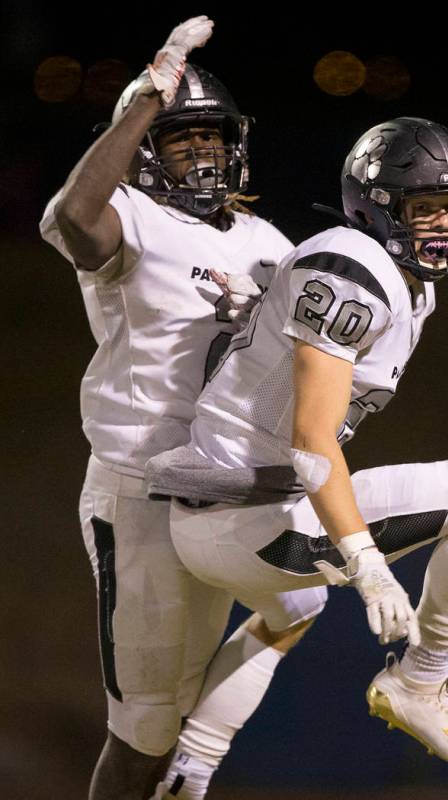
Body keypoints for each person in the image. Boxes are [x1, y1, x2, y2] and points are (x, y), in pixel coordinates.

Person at [146, 116, 448, 779]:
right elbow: (311, 437)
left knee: (294, 608)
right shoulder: (354, 267)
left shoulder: (401, 283)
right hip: (248, 517)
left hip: (222, 515)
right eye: (425, 209)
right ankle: (421, 680)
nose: (444, 226)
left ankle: (190, 772)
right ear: (377, 207)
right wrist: (365, 561)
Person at [39, 17, 326, 800]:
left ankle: (201, 757)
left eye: (210, 137)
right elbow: (73, 220)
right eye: (177, 139)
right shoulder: (131, 217)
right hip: (141, 495)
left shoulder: (268, 237)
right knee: (143, 729)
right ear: (143, 152)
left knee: (302, 596)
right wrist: (143, 100)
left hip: (229, 487)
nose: (200, 152)